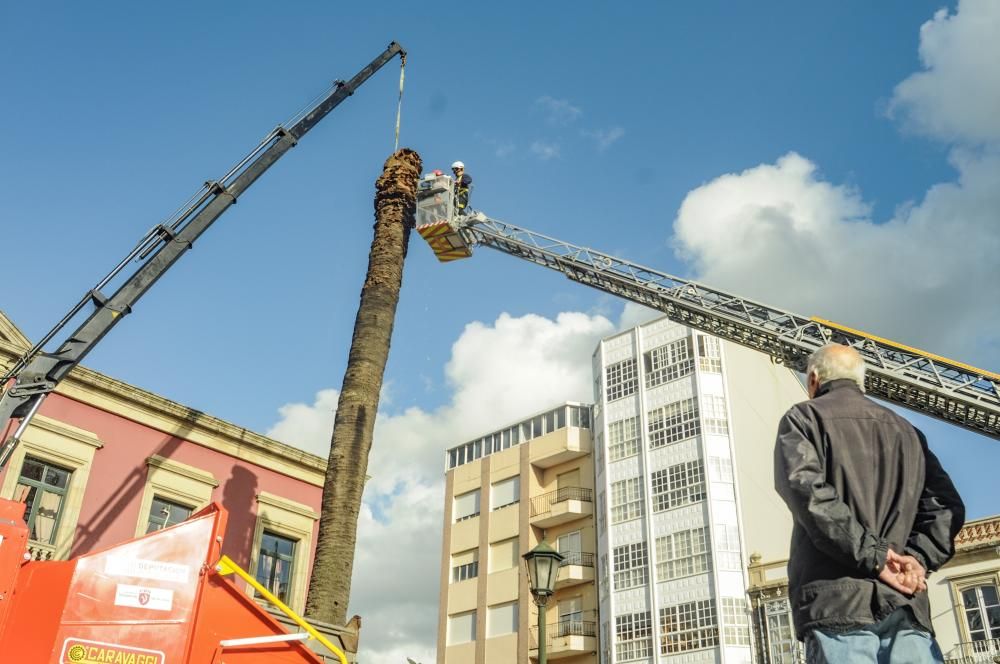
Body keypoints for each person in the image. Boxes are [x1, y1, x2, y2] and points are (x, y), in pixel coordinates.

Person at [774, 343, 965, 664]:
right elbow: (946, 504)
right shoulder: (907, 431)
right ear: (861, 381)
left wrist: (875, 559)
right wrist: (917, 559)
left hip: (837, 605)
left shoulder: (803, 419)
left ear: (814, 380)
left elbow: (807, 491)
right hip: (906, 602)